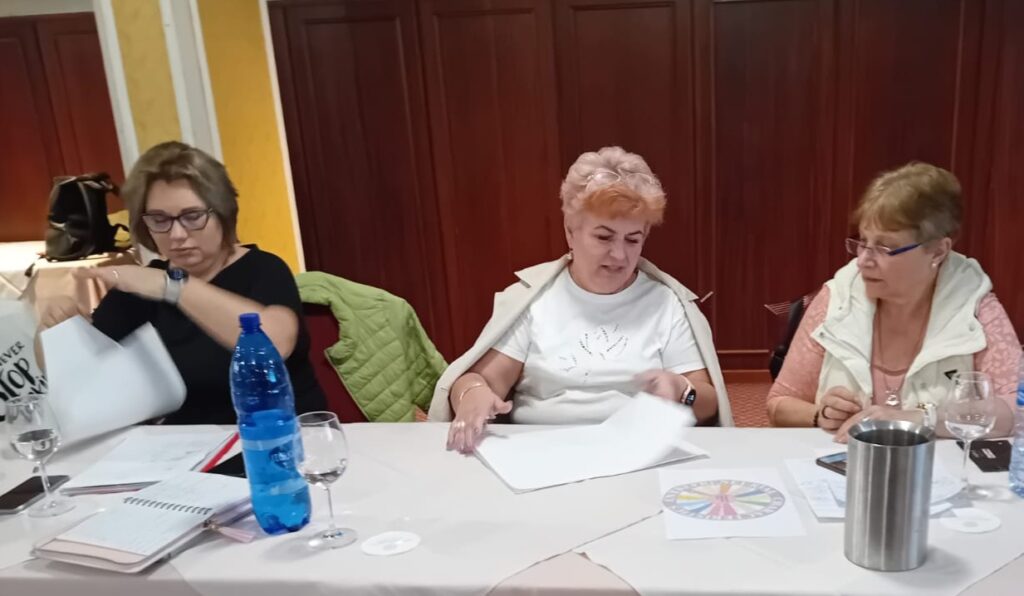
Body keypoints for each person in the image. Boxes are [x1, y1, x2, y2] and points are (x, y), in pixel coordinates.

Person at [428, 146, 732, 453]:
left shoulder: (666, 303)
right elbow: (478, 381)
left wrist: (682, 390)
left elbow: (708, 403)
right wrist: (473, 393)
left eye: (633, 239)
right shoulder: (533, 299)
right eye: (604, 237)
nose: (619, 255)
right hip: (544, 450)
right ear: (570, 232)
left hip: (638, 452)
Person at [38, 141, 326, 424]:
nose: (176, 235)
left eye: (192, 216)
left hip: (280, 434)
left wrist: (172, 287)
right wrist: (55, 328)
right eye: (159, 220)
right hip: (185, 444)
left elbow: (273, 344)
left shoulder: (263, 269)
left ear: (222, 213)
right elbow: (74, 375)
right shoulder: (143, 285)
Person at [766, 162, 1020, 442]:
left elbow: (1018, 409)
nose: (863, 261)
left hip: (933, 465)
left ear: (938, 251)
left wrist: (922, 418)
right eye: (863, 242)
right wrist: (820, 413)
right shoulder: (837, 299)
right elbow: (780, 402)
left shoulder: (975, 308)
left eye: (885, 247)